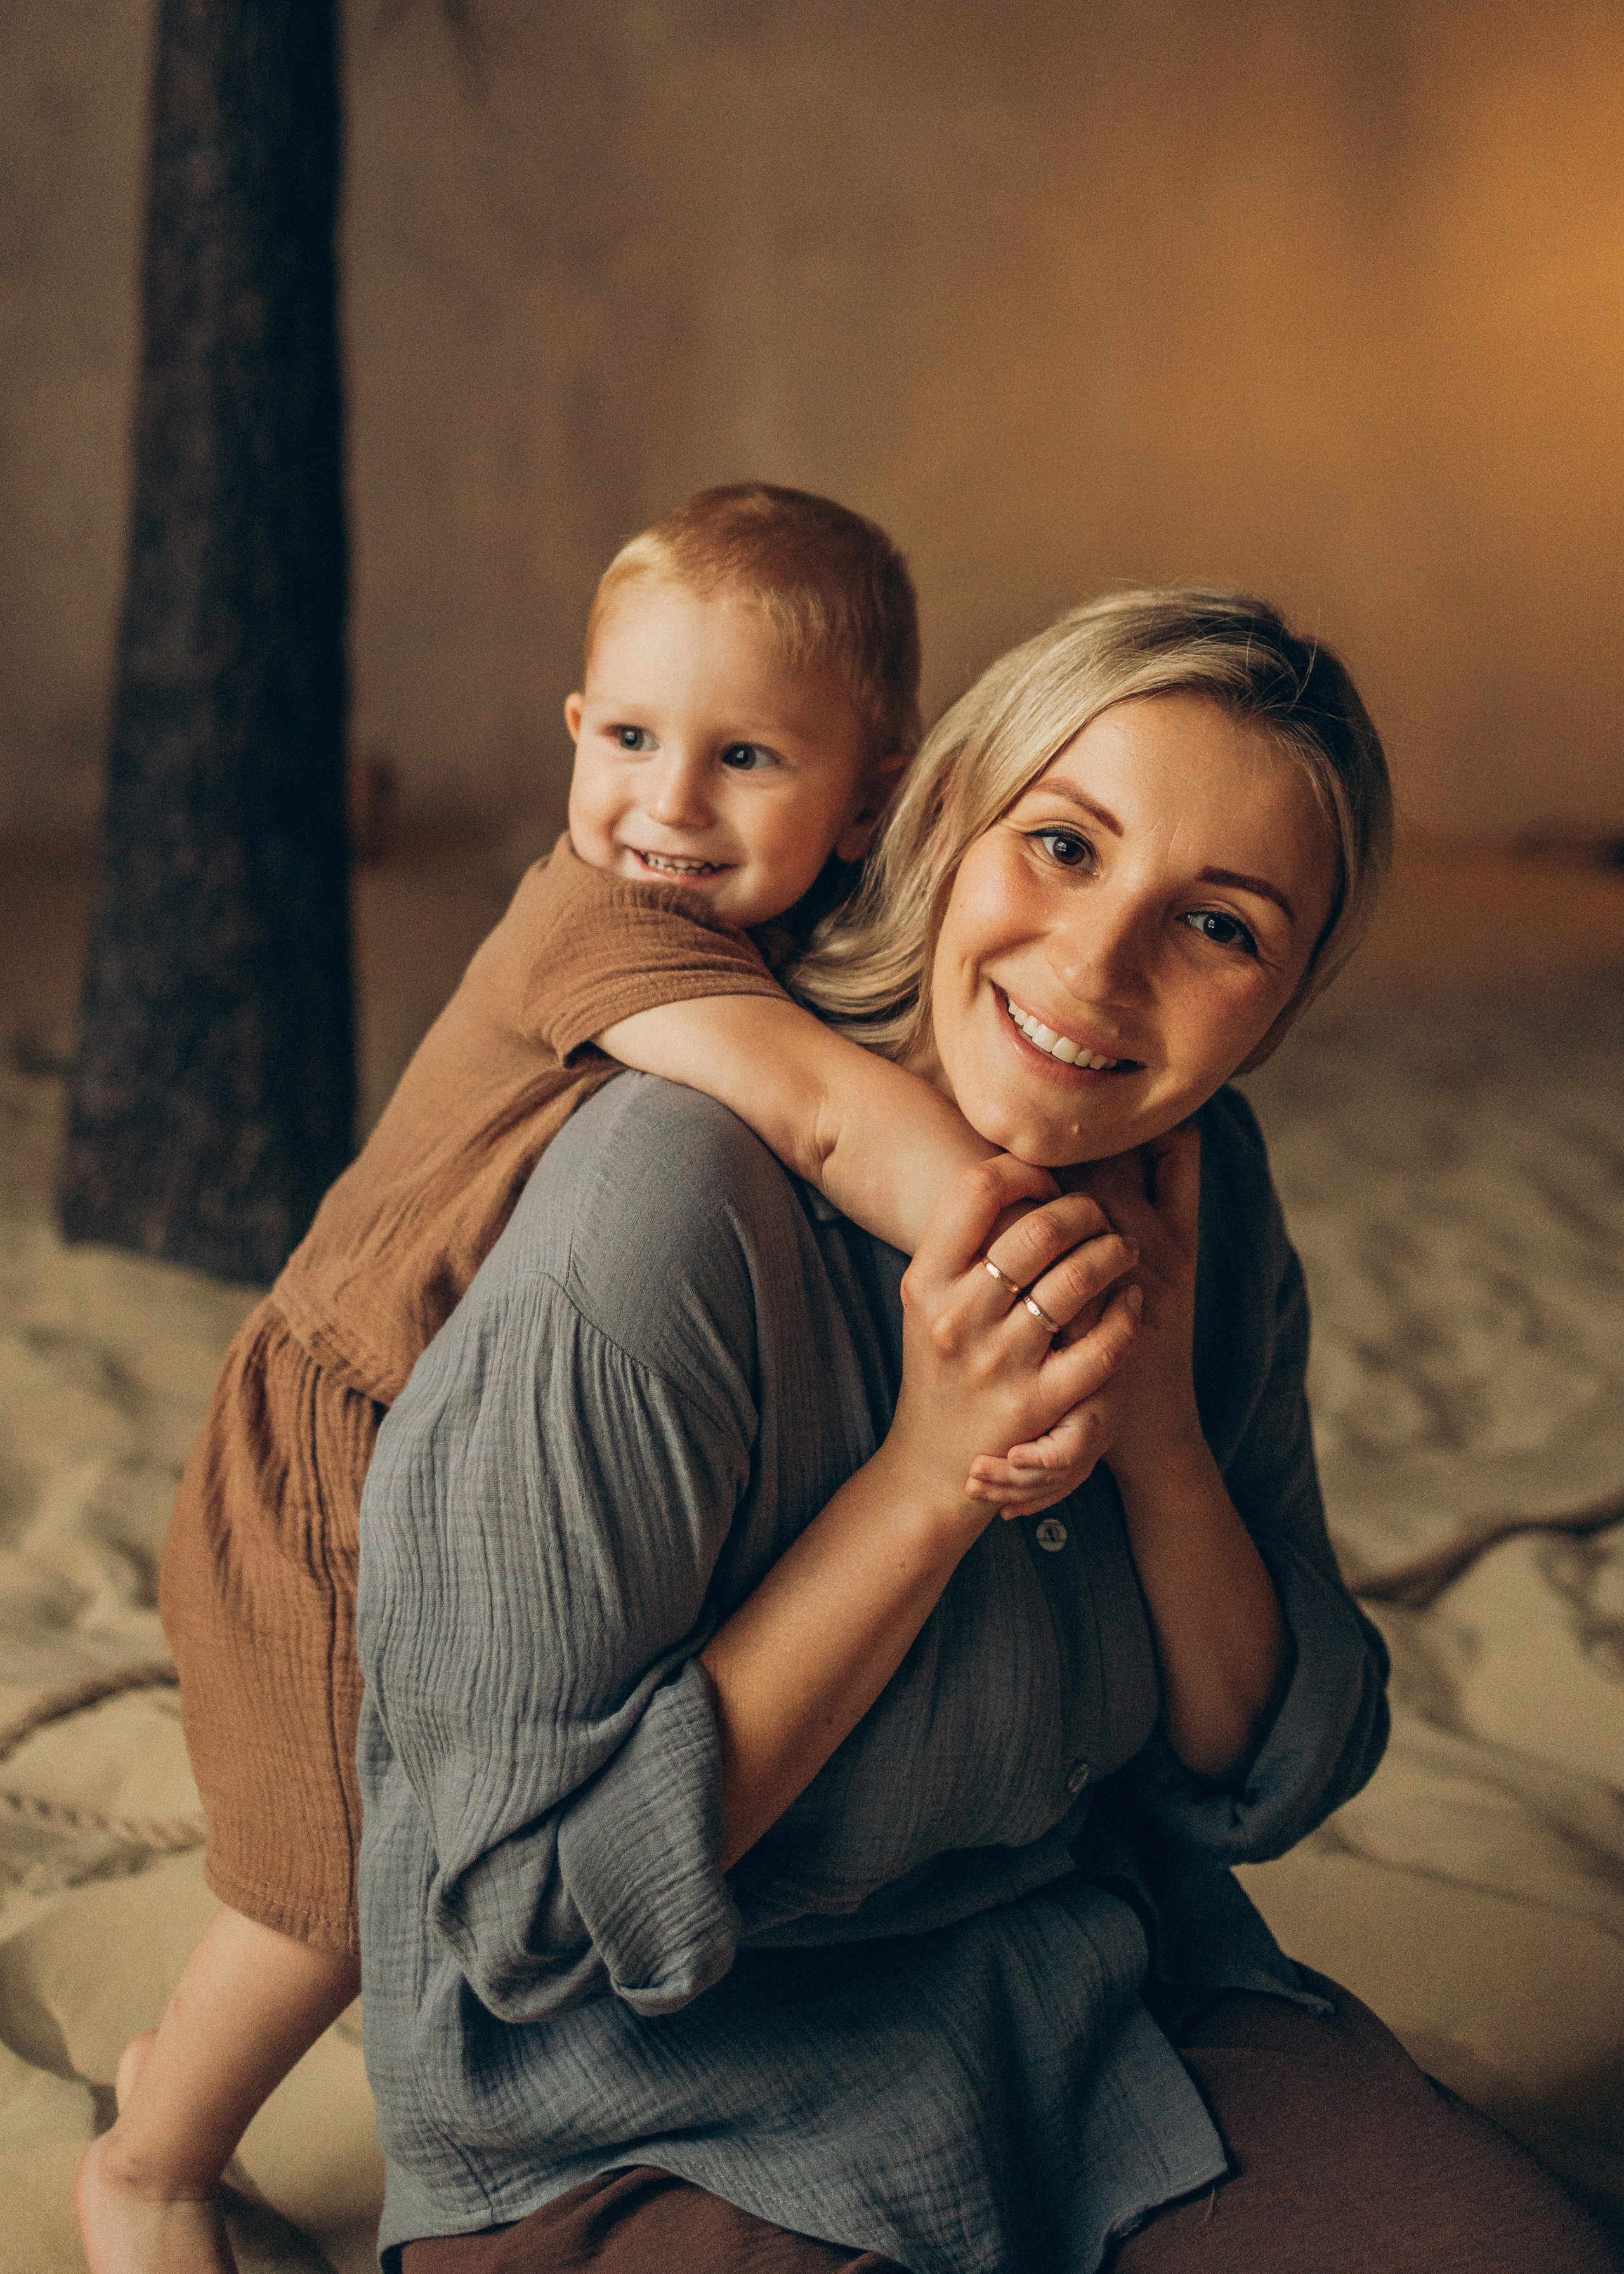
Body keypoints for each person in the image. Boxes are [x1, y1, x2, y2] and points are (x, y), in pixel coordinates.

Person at [356, 589, 1624, 2274]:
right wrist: (929, 1479)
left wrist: (1160, 1440)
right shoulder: (667, 1202)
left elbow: (1260, 1774)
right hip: (638, 2102)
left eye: (1220, 925)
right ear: (946, 816)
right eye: (1064, 845)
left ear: (1283, 1001)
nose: (1097, 967)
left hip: (1081, 2000)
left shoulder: (1199, 1182)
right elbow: (532, 1915)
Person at [75, 485, 1096, 2274]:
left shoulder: (795, 937)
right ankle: (155, 2155)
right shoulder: (594, 926)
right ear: (575, 730)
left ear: (871, 798)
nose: (668, 805)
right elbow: (821, 1115)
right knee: (328, 1884)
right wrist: (1035, 1279)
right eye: (628, 739)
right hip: (338, 1447)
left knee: (409, 1831)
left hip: (489, 1445)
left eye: (745, 758)